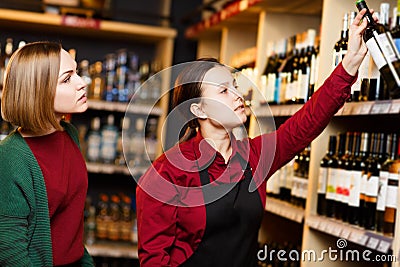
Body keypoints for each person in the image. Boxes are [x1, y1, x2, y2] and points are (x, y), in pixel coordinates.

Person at [136, 9, 373, 267]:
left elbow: (307, 123)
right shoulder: (167, 173)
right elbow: (154, 261)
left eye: (235, 86)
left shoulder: (254, 156)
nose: (238, 96)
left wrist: (349, 64)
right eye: (224, 91)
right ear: (199, 109)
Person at [0, 41, 94, 266]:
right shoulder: (11, 158)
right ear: (37, 91)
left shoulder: (69, 134)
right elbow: (10, 253)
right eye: (67, 78)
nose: (82, 83)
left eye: (77, 73)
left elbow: (70, 224)